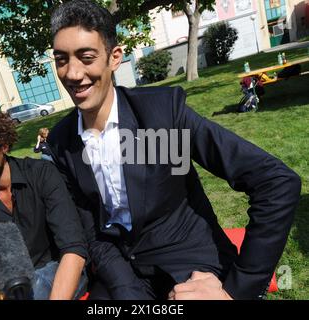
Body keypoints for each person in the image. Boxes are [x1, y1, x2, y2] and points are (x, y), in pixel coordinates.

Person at [48, 0, 301, 300]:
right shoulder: (61, 140)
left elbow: (275, 181)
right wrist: (127, 291)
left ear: (114, 58)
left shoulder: (162, 115)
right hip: (121, 273)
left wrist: (237, 291)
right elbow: (92, 231)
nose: (73, 73)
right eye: (61, 59)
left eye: (86, 57)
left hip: (191, 262)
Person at [0, 103, 87, 300]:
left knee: (35, 287)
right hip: (5, 285)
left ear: (3, 145)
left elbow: (73, 248)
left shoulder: (41, 174)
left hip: (58, 272)